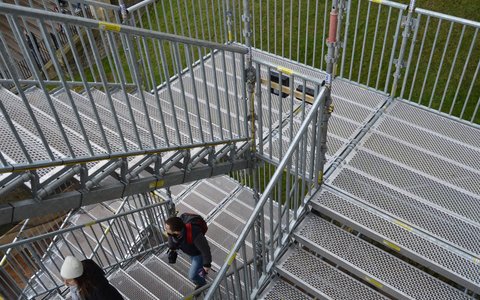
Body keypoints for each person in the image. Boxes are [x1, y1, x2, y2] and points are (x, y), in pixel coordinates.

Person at [166, 216, 212, 289]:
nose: (166, 229)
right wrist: (172, 248)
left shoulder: (194, 233)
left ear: (176, 231)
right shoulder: (173, 233)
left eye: (167, 228)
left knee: (192, 275)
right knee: (198, 268)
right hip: (191, 252)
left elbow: (205, 249)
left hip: (198, 255)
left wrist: (207, 264)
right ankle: (201, 272)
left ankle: (202, 284)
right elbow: (171, 238)